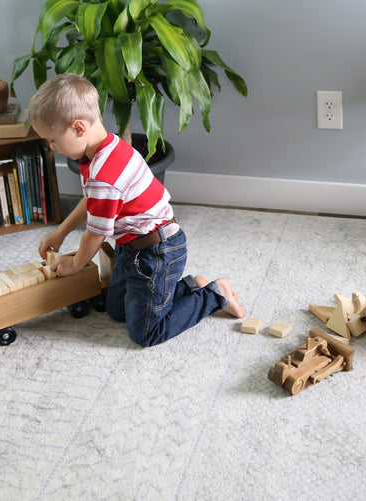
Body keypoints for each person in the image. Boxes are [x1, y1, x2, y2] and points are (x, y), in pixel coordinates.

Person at [28, 73, 245, 347]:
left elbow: (94, 235)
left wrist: (75, 263)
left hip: (156, 253)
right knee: (117, 310)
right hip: (132, 248)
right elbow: (91, 202)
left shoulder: (105, 176)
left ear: (79, 128)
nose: (52, 147)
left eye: (53, 140)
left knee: (145, 333)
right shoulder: (105, 148)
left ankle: (215, 295)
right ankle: (190, 287)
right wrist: (60, 233)